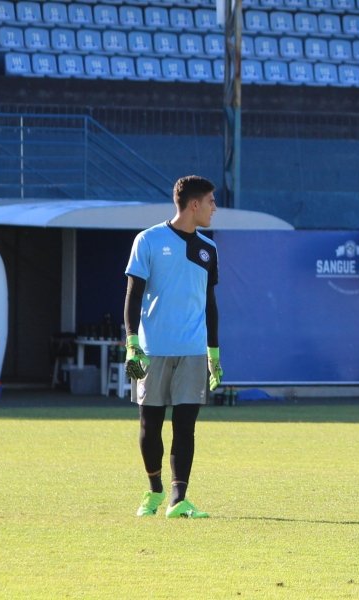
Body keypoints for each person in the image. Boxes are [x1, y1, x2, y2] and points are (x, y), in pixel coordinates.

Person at [123, 175, 222, 520]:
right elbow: (133, 295)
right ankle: (154, 491)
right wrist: (132, 343)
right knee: (149, 426)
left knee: (185, 427)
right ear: (194, 204)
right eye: (211, 201)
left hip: (193, 352)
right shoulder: (148, 240)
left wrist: (214, 353)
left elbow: (210, 304)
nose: (214, 208)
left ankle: (179, 500)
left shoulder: (209, 249)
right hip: (153, 350)